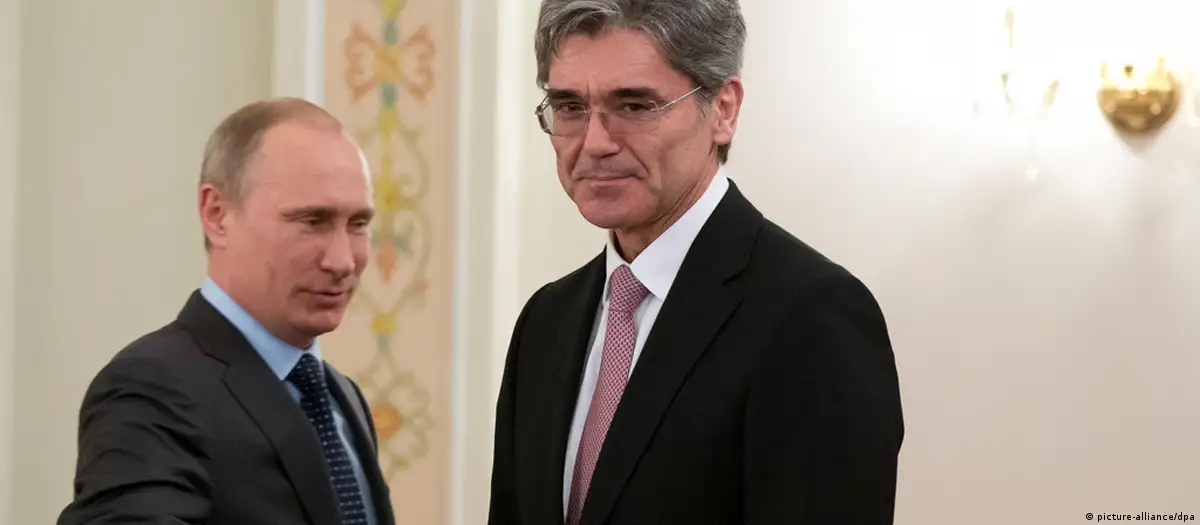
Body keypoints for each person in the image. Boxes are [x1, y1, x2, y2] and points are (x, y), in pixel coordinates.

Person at [488, 1, 904, 524]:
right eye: (569, 107)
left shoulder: (812, 317)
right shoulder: (545, 321)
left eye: (634, 106)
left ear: (723, 110)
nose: (594, 143)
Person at [58, 98, 395, 525]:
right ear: (216, 215)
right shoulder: (151, 389)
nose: (342, 261)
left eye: (358, 224)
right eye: (312, 221)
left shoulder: (340, 396)